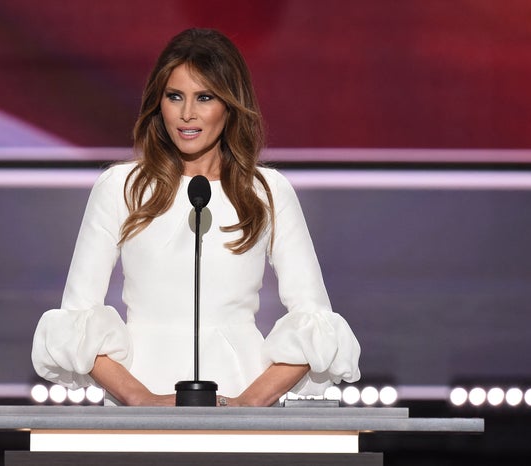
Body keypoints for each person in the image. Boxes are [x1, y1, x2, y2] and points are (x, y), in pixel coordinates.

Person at [31, 28, 360, 407]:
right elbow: (76, 316)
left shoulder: (267, 192)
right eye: (175, 97)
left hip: (240, 390)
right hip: (139, 390)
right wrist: (143, 400)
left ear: (230, 105)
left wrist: (247, 405)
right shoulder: (121, 187)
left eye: (204, 97)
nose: (187, 113)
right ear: (160, 103)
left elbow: (316, 321)